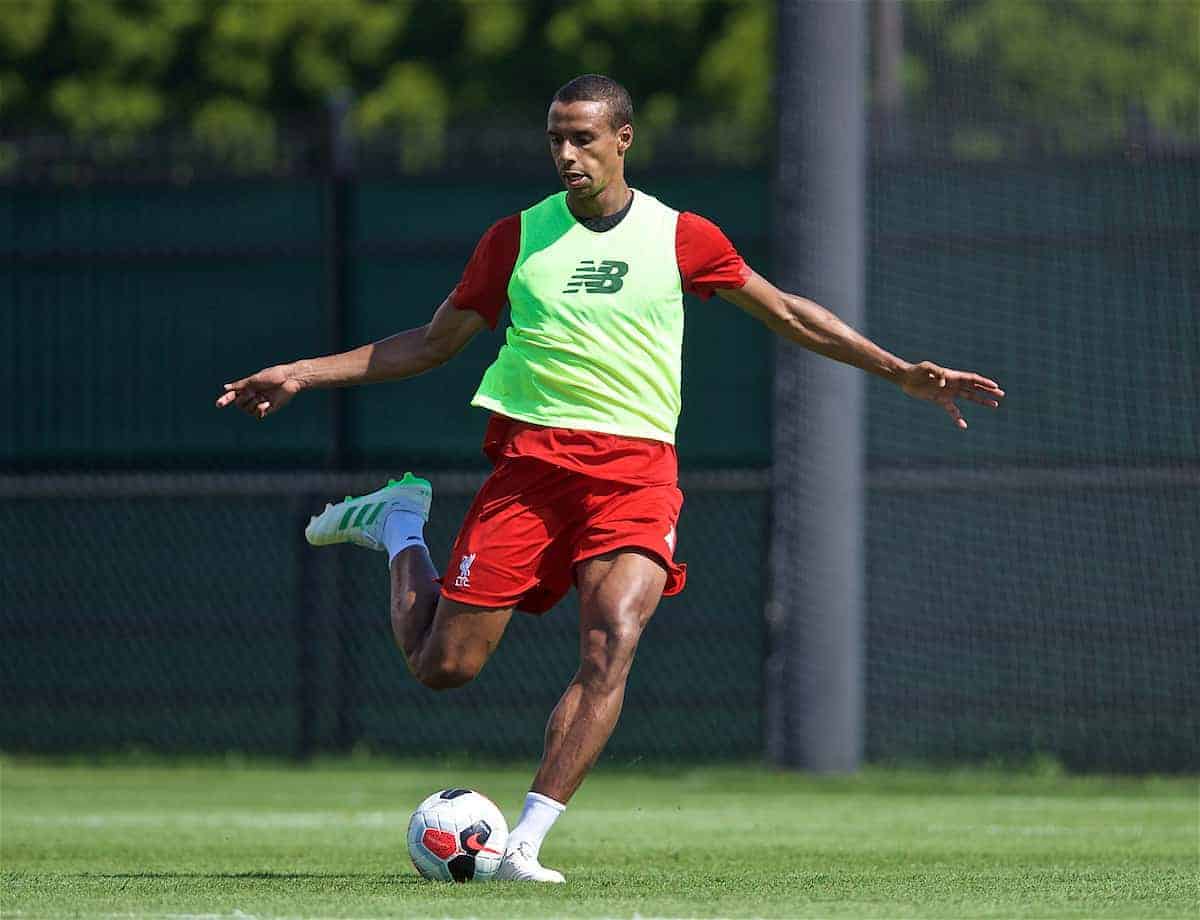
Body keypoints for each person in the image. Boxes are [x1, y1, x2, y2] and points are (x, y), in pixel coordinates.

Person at [216, 74, 1004, 882]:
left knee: (613, 639)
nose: (566, 153)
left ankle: (524, 843)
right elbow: (429, 343)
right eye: (556, 137)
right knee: (442, 667)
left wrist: (898, 371)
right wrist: (304, 372)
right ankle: (398, 527)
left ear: (622, 139)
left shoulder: (680, 235)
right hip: (531, 471)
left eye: (582, 138)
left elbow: (792, 313)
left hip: (636, 475)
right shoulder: (516, 239)